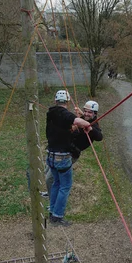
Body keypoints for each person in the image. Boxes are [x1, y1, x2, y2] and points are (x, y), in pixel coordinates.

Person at [46, 89, 91, 227]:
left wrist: (74, 126)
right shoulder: (64, 113)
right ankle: (58, 217)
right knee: (65, 186)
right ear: (67, 101)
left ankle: (52, 211)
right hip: (62, 157)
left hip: (51, 155)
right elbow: (76, 120)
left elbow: (67, 126)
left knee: (56, 184)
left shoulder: (51, 114)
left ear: (55, 101)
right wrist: (87, 125)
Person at [45, 99, 103, 199]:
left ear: (95, 114)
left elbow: (99, 137)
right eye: (85, 111)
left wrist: (90, 129)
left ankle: (52, 200)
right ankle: (51, 192)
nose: (86, 114)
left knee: (50, 178)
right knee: (48, 170)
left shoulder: (94, 125)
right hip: (63, 148)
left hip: (72, 154)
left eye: (90, 112)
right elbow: (77, 121)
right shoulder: (82, 119)